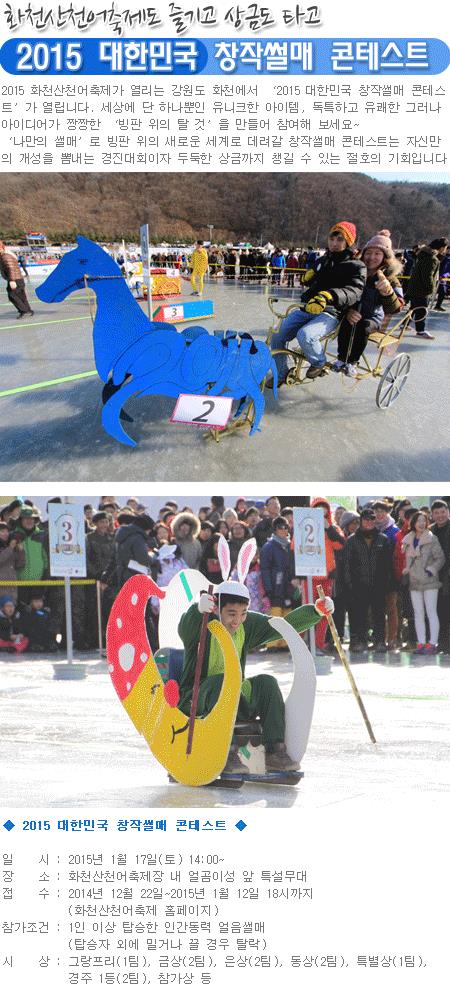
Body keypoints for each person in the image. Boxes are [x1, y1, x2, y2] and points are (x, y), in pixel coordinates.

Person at [177, 578, 334, 774]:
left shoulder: (247, 624)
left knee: (266, 683)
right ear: (217, 609)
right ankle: (226, 752)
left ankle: (274, 751)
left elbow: (282, 626)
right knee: (221, 683)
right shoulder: (202, 625)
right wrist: (197, 611)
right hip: (198, 697)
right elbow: (184, 629)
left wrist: (315, 611)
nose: (236, 620)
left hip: (233, 694)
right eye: (231, 614)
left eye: (242, 613)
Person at [270, 222, 366, 381]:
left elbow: (354, 290)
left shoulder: (356, 266)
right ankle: (282, 373)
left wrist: (329, 296)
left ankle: (319, 362)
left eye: (340, 239)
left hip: (331, 312)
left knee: (306, 335)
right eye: (332, 238)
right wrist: (307, 279)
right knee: (277, 335)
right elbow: (314, 282)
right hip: (308, 307)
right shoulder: (323, 260)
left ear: (348, 242)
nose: (334, 243)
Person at [331, 230, 404, 377]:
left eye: (377, 254)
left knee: (363, 327)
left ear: (385, 257)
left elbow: (397, 307)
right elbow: (343, 293)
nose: (372, 257)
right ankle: (341, 358)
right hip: (353, 312)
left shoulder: (391, 279)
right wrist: (348, 311)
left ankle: (352, 361)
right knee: (345, 324)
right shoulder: (355, 271)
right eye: (368, 253)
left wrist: (388, 292)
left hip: (372, 317)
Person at [343, 508, 393, 653]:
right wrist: (349, 584)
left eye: (372, 519)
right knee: (360, 615)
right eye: (366, 519)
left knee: (379, 614)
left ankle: (379, 642)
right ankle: (360, 641)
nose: (369, 522)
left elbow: (388, 564)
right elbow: (347, 564)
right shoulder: (352, 540)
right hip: (359, 585)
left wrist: (388, 583)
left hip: (379, 584)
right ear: (361, 521)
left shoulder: (382, 539)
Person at [402, 512, 445, 654]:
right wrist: (406, 569)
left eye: (424, 520)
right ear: (413, 523)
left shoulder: (432, 539)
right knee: (418, 613)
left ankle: (432, 643)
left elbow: (440, 558)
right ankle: (421, 643)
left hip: (430, 581)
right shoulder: (407, 540)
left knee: (431, 612)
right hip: (414, 581)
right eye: (418, 521)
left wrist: (431, 570)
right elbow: (407, 560)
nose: (421, 523)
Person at [260, 516, 298, 649]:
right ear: (275, 530)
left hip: (288, 586)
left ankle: (285, 643)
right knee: (275, 615)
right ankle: (272, 644)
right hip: (275, 586)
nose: (283, 530)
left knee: (287, 614)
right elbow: (264, 569)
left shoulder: (290, 545)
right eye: (280, 527)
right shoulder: (268, 546)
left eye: (286, 527)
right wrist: (268, 589)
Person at [404, 237, 448, 339]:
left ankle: (404, 324)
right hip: (421, 289)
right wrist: (431, 288)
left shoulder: (423, 254)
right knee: (421, 309)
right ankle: (420, 330)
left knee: (413, 308)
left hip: (414, 286)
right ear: (441, 248)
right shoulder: (432, 258)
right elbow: (427, 275)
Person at [430, 501, 450, 653]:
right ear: (432, 515)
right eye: (436, 513)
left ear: (447, 512)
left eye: (442, 512)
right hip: (435, 577)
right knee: (439, 609)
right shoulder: (430, 532)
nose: (440, 516)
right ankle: (442, 641)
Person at [0, 240, 34, 318]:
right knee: (21, 296)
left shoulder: (5, 256)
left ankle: (24, 311)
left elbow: (11, 268)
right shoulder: (5, 255)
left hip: (15, 279)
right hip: (18, 278)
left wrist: (12, 280)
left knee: (12, 295)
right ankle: (28, 310)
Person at [0, 521, 25, 601]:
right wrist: (10, 548)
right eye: (2, 531)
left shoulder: (9, 546)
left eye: (7, 531)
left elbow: (20, 565)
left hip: (12, 587)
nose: (6, 533)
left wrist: (20, 550)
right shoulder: (9, 548)